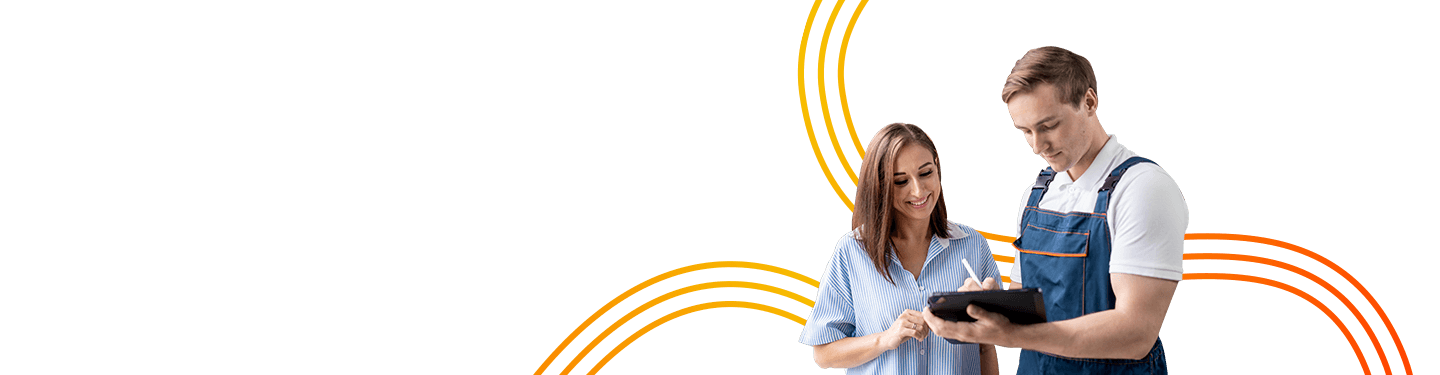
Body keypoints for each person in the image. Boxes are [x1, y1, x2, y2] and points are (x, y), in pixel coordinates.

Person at [922, 46, 1187, 374]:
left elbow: (1135, 333)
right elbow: (1026, 303)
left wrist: (1014, 333)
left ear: (1088, 102)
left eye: (1048, 126)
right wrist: (991, 307)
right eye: (1025, 132)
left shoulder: (1143, 188)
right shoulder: (1036, 195)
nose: (1037, 146)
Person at [800, 122, 1003, 375]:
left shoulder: (972, 245)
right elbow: (823, 353)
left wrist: (994, 310)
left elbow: (987, 347)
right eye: (900, 181)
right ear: (880, 186)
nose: (918, 190)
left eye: (926, 173)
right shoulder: (851, 252)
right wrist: (884, 339)